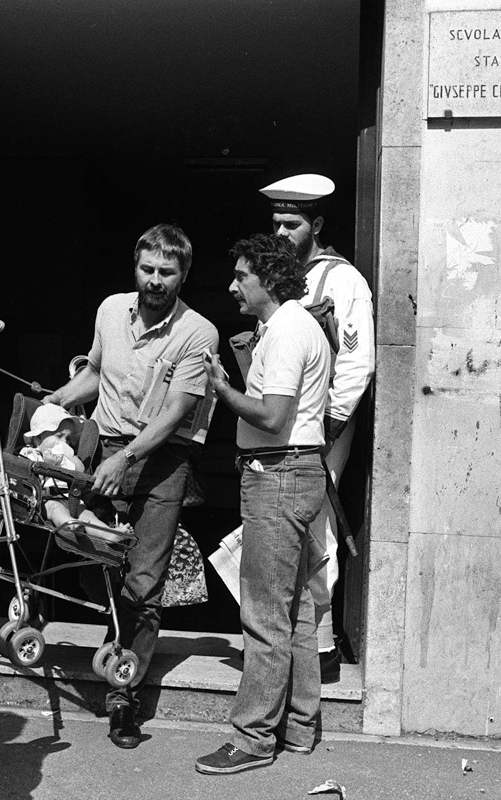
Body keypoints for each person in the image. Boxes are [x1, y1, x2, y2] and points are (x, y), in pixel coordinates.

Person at [44, 223, 218, 749]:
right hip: (104, 447)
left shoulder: (198, 332)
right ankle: (116, 635)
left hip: (161, 458)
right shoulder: (109, 310)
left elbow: (173, 415)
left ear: (184, 274)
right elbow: (96, 372)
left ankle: (124, 695)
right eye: (148, 269)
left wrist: (127, 458)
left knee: (144, 581)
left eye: (167, 272)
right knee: (80, 547)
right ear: (135, 267)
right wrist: (54, 402)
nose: (155, 281)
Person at [195, 232, 329, 775]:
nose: (232, 286)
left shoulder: (289, 330)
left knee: (264, 614)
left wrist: (218, 387)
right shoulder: (289, 327)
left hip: (278, 473)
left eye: (241, 277)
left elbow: (272, 418)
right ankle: (298, 727)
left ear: (269, 280)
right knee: (293, 608)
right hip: (292, 472)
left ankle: (252, 738)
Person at [261, 173, 375, 683]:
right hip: (281, 425)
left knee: (317, 529)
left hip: (324, 425)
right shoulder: (278, 281)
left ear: (317, 224)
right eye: (277, 224)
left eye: (292, 224)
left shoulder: (342, 280)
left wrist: (328, 425)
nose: (282, 233)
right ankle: (287, 641)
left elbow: (357, 364)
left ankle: (321, 647)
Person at [19, 402, 132, 543]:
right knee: (56, 509)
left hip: (71, 499)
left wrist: (68, 459)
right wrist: (47, 466)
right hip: (44, 501)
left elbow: (80, 470)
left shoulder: (67, 458)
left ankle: (109, 535)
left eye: (68, 439)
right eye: (59, 436)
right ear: (37, 438)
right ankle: (70, 524)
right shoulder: (30, 454)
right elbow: (26, 478)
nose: (64, 443)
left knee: (87, 514)